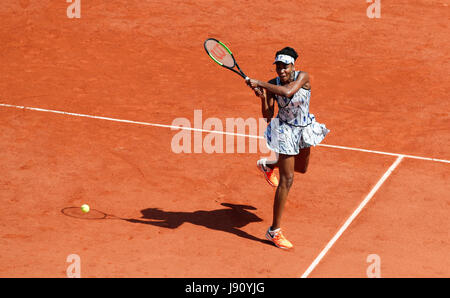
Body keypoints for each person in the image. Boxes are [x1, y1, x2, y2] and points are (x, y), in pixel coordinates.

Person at [246, 47, 329, 249]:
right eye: (279, 67)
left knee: (301, 169)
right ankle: (274, 231)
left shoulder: (303, 77)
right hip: (284, 131)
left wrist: (260, 83)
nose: (282, 71)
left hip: (303, 127)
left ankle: (268, 165)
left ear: (293, 66)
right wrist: (263, 96)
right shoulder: (272, 84)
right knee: (288, 178)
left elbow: (288, 91)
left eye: (285, 66)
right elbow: (267, 116)